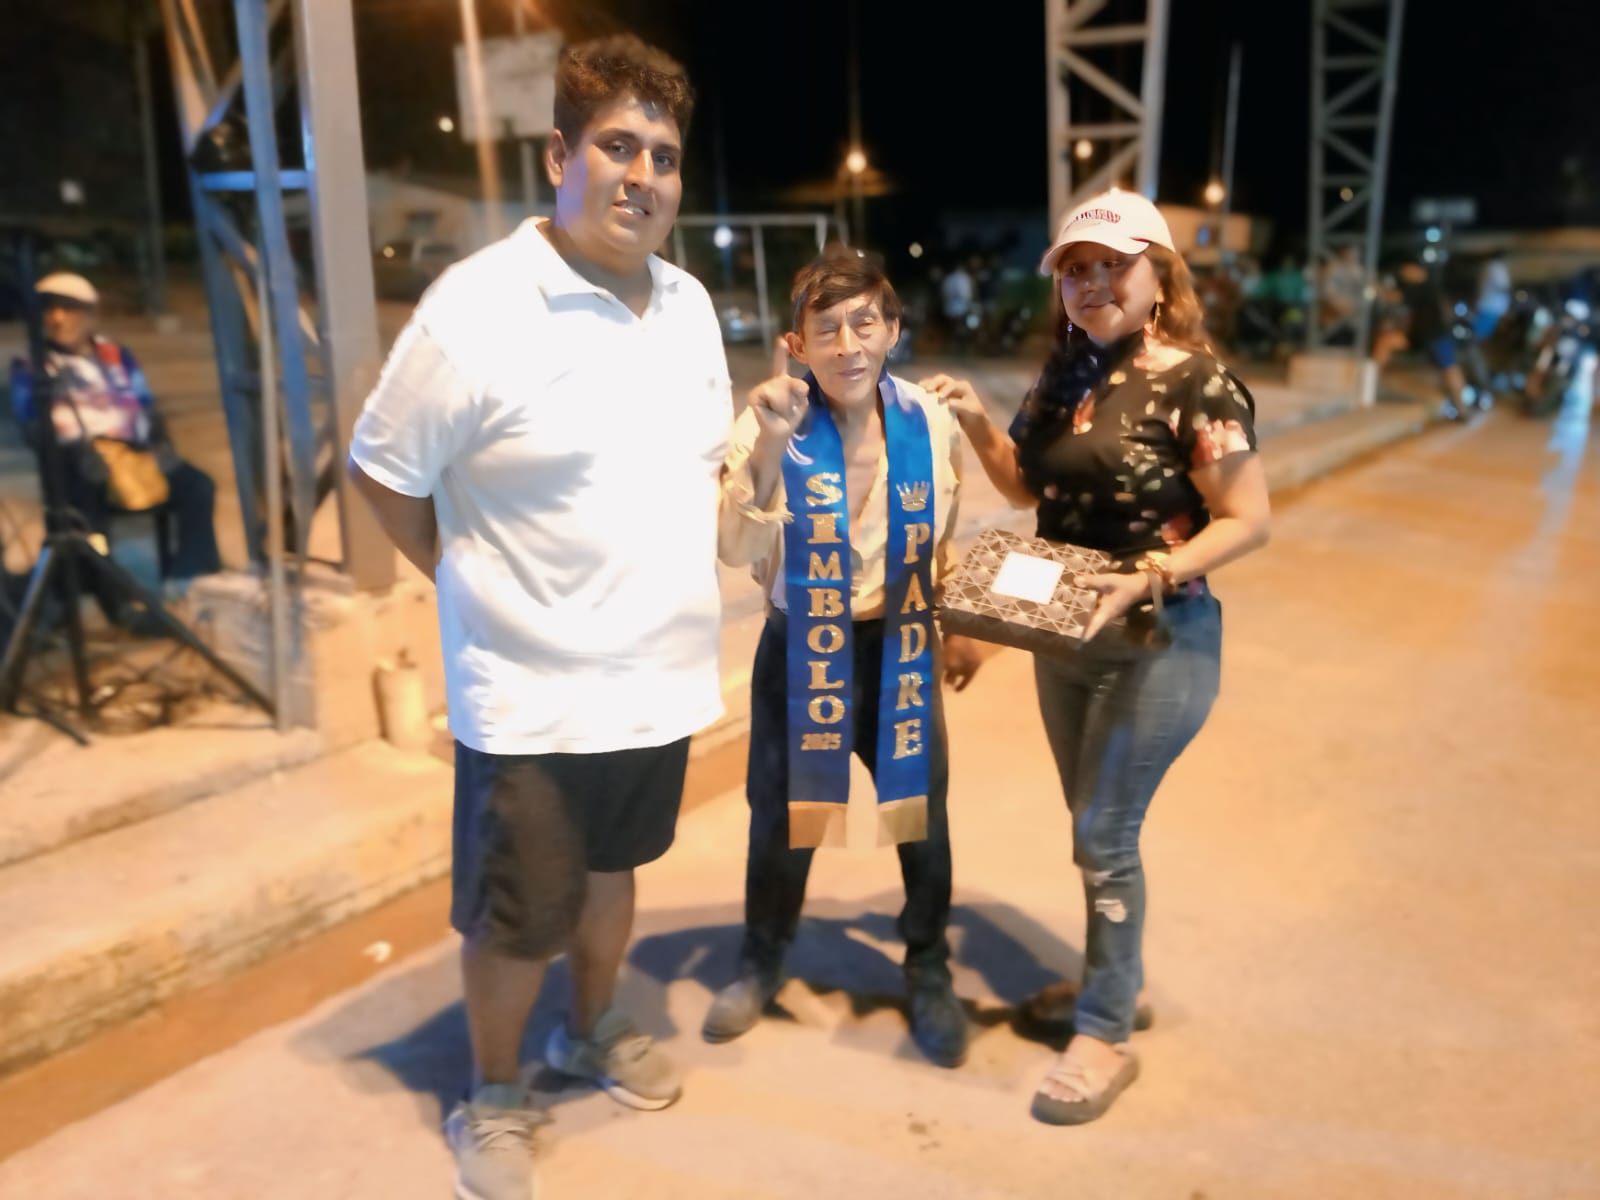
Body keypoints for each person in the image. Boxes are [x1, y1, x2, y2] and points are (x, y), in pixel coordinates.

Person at [346, 36, 728, 1200]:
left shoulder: (688, 305)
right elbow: (381, 472)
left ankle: (591, 1024)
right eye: (618, 145)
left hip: (657, 684)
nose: (643, 175)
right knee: (519, 915)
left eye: (663, 155)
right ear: (560, 157)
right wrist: (465, 578)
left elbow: (700, 466)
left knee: (613, 874)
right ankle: (496, 1093)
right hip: (533, 693)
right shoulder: (478, 309)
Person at [920, 190, 1271, 1125]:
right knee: (1095, 830)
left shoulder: (1198, 383)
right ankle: (1114, 984)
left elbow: (1248, 519)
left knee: (1102, 835)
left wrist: (1149, 575)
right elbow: (1027, 488)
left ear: (1160, 275)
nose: (1092, 283)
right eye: (1076, 269)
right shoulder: (1066, 372)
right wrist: (977, 419)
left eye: (1114, 265)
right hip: (1066, 637)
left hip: (1160, 640)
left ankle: (1106, 1030)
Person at [705, 250, 984, 1068]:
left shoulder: (928, 420)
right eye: (826, 330)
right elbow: (734, 548)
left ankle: (927, 965)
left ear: (893, 329)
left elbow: (945, 521)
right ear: (798, 345)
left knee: (919, 819)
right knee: (781, 823)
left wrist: (954, 617)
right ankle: (762, 958)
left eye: (865, 323)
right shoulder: (768, 423)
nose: (848, 345)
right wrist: (769, 448)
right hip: (801, 649)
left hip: (901, 642)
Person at [8, 273, 222, 601]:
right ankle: (114, 595)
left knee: (198, 486)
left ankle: (190, 576)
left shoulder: (116, 356)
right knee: (87, 492)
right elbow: (32, 422)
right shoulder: (30, 366)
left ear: (90, 315)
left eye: (69, 309)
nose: (58, 318)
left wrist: (159, 445)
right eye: (50, 309)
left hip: (132, 454)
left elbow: (145, 404)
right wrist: (77, 447)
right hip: (78, 462)